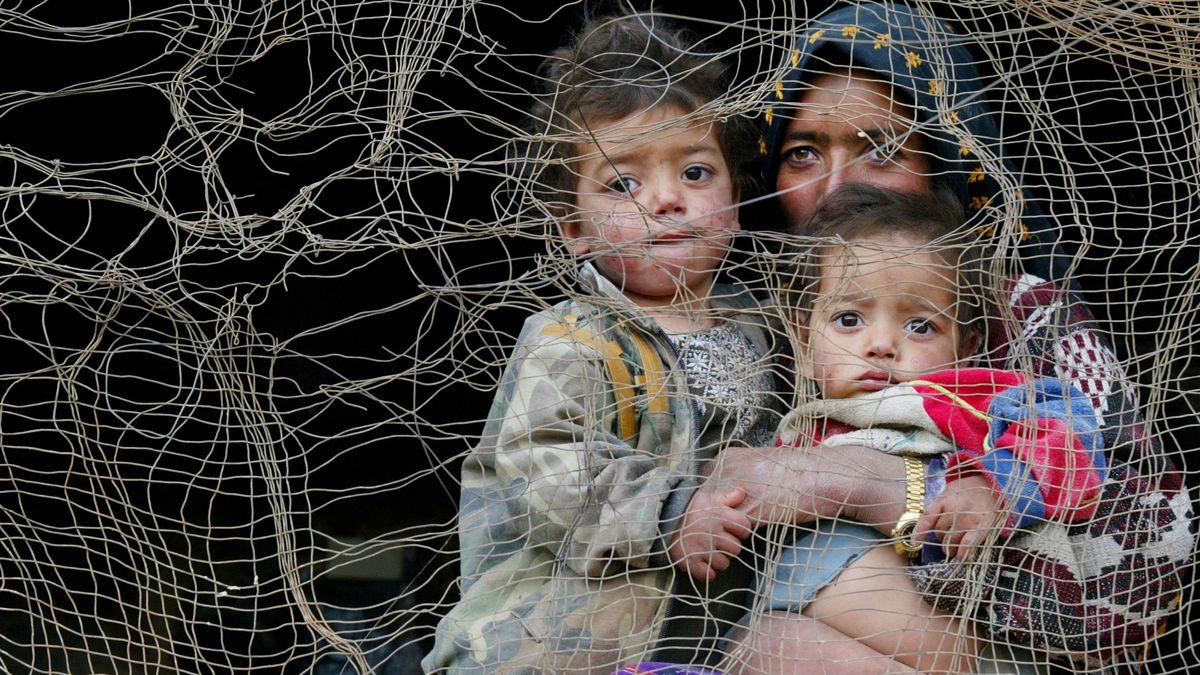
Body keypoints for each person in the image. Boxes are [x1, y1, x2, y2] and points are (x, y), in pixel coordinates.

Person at [696, 1, 1192, 671]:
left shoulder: (1023, 319)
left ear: (948, 160)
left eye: (881, 148)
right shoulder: (737, 331)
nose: (837, 189)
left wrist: (884, 489)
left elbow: (1151, 567)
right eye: (803, 153)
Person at [422, 14, 782, 673]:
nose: (667, 199)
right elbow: (546, 461)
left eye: (697, 173)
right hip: (549, 641)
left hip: (700, 634)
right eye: (624, 183)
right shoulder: (569, 336)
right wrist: (672, 509)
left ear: (735, 201)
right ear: (574, 230)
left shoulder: (767, 328)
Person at [721, 183, 1109, 674]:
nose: (881, 344)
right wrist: (713, 514)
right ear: (803, 332)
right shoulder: (798, 428)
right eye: (847, 318)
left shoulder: (964, 396)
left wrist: (995, 490)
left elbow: (1069, 432)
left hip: (954, 632)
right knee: (759, 645)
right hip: (831, 636)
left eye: (920, 326)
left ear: (966, 345)